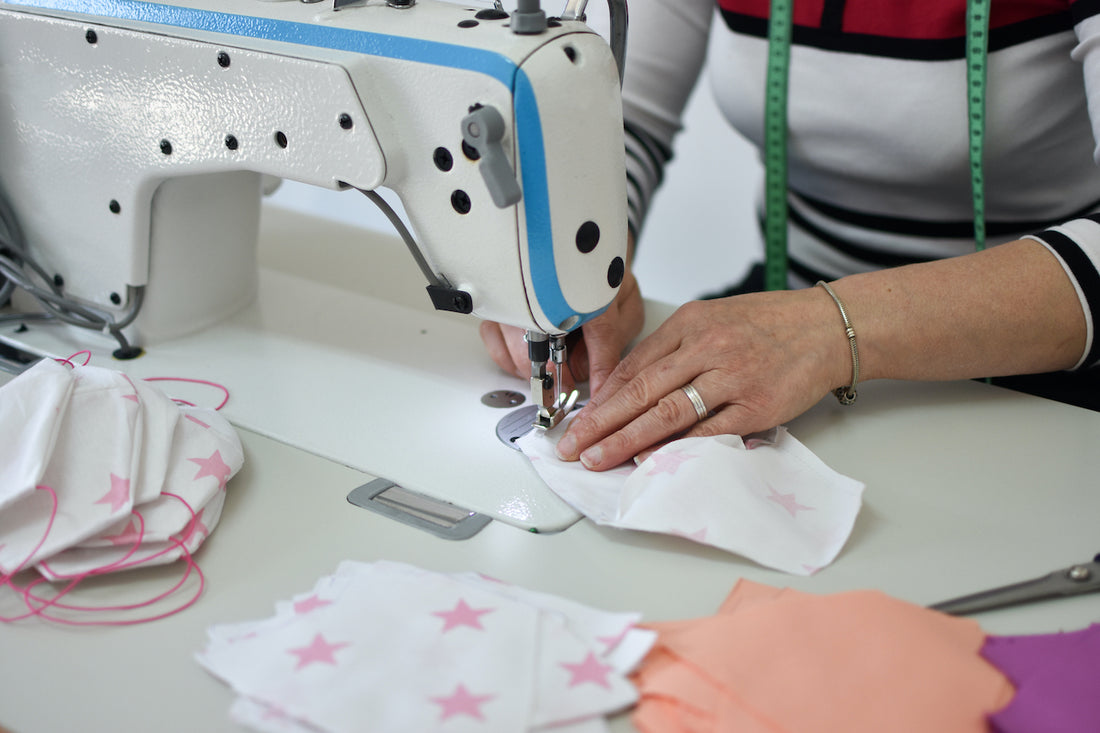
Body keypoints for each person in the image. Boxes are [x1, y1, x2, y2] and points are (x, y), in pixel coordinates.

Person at [480, 0, 1100, 471]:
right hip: (785, 308)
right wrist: (578, 256)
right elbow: (620, 115)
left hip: (1050, 345)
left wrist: (826, 329)